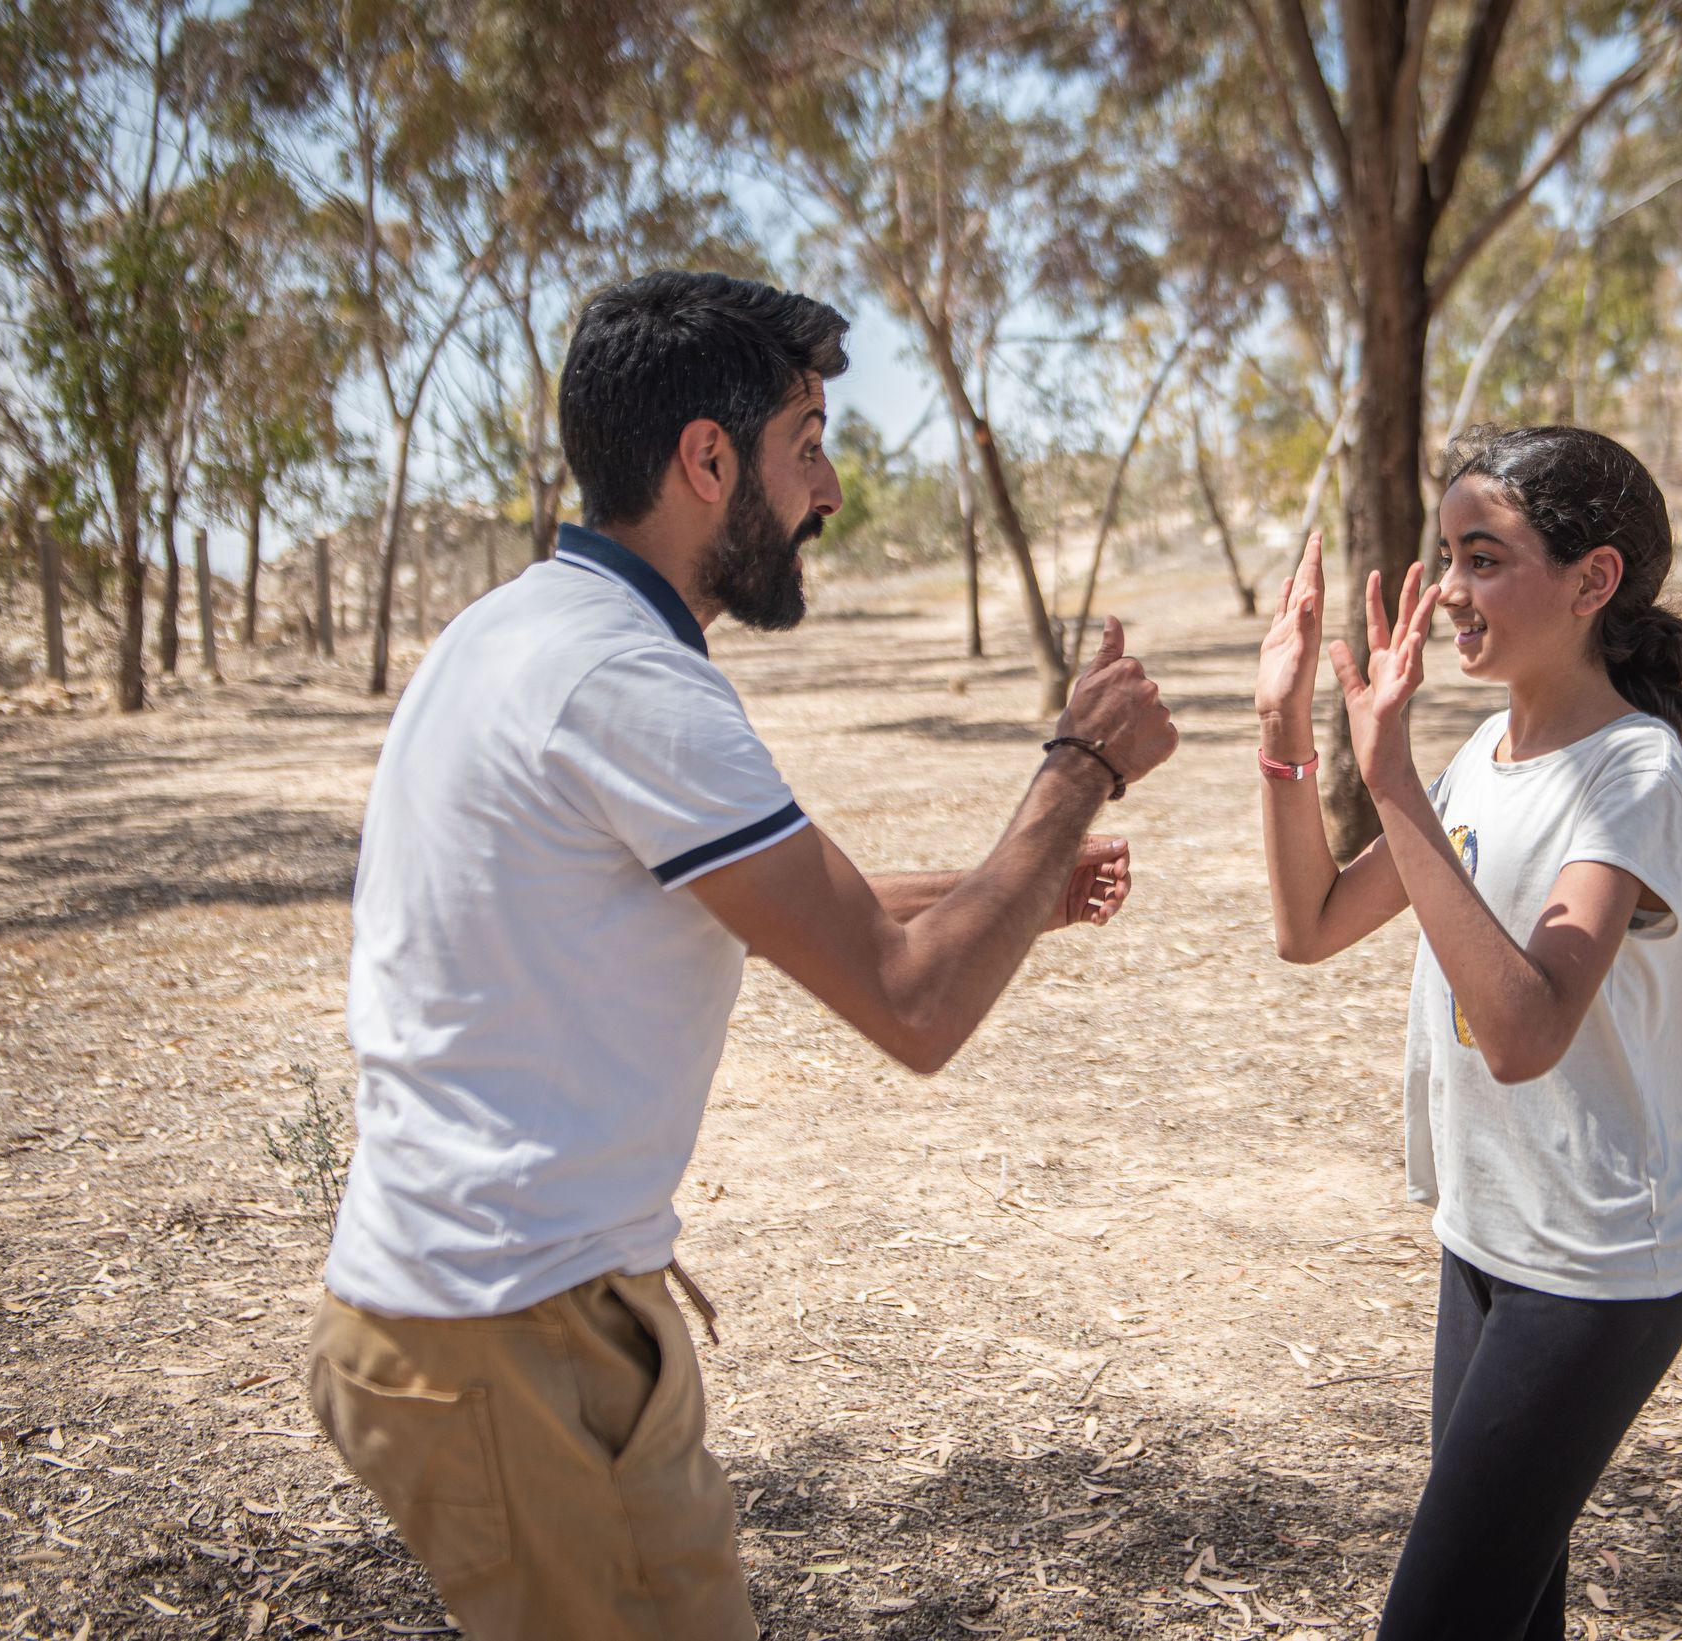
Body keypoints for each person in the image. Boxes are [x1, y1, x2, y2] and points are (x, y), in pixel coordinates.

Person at [306, 270, 1177, 1641]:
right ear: (708, 460)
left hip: (528, 1310)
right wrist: (1078, 770)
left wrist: (1013, 888)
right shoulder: (629, 684)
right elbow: (911, 1005)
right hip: (504, 1331)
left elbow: (752, 900)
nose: (827, 489)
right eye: (809, 439)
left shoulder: (529, 630)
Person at [1253, 425, 1682, 1641]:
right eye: (1444, 556)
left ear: (1592, 580)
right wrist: (1284, 730)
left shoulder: (1632, 774)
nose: (1447, 591)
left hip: (1598, 1271)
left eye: (1483, 558)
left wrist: (1393, 776)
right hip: (1487, 1239)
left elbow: (1525, 1031)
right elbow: (1309, 924)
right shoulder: (1481, 756)